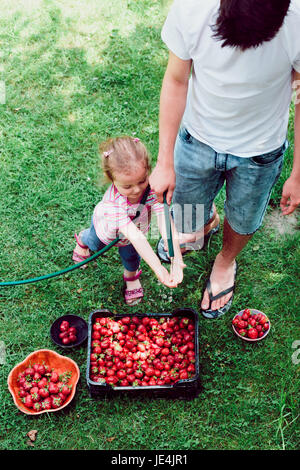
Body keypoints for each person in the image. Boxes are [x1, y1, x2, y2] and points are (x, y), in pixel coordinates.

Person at [150, 0, 300, 318]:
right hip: (197, 138)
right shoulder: (192, 7)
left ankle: (225, 262)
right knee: (184, 213)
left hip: (260, 152)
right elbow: (176, 80)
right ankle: (201, 226)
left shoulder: (298, 20)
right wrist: (164, 161)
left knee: (244, 219)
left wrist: (297, 173)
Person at [73, 136, 185, 306]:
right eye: (127, 186)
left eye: (142, 181)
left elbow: (164, 219)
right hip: (106, 231)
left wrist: (176, 257)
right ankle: (83, 240)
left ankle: (131, 278)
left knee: (132, 257)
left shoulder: (153, 188)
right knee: (95, 244)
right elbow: (136, 236)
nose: (137, 189)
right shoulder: (113, 204)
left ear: (148, 170)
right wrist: (159, 268)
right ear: (111, 179)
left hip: (133, 236)